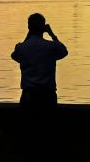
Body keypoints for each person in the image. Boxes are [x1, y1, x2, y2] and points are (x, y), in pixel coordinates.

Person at [11, 13, 68, 162]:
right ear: (43, 27)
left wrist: (27, 36)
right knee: (47, 133)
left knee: (28, 133)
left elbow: (15, 55)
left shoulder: (22, 48)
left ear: (29, 27)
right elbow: (64, 51)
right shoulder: (50, 47)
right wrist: (51, 34)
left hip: (28, 96)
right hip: (47, 96)